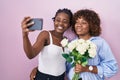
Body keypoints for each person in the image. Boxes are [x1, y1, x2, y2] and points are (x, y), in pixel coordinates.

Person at [21, 8, 73, 80]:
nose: (60, 23)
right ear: (54, 21)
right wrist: (25, 35)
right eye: (58, 20)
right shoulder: (46, 35)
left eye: (65, 21)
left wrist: (37, 67)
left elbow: (58, 61)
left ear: (69, 25)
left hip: (61, 78)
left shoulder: (66, 40)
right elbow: (31, 54)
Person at [67, 9, 118, 80]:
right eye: (76, 22)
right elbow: (68, 67)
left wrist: (88, 68)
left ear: (91, 25)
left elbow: (112, 68)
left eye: (84, 23)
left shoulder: (100, 43)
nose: (79, 25)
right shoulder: (72, 43)